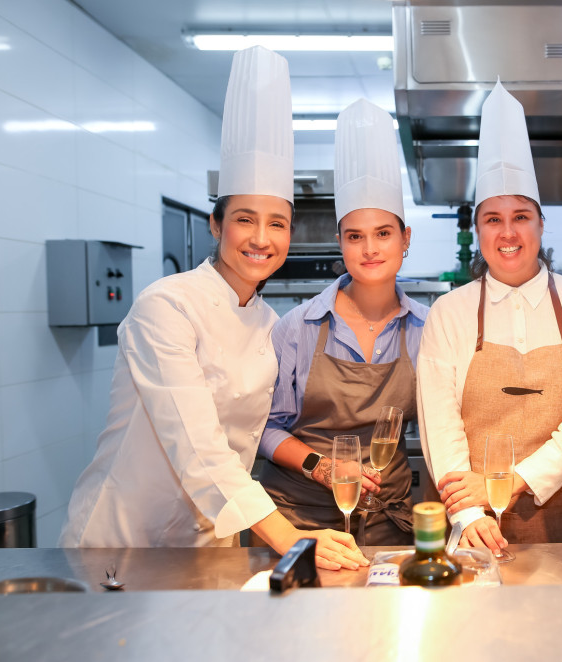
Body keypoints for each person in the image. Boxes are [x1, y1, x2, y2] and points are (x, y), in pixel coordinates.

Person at [60, 47, 367, 570]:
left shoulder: (269, 325)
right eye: (245, 219)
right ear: (216, 225)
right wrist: (290, 534)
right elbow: (195, 440)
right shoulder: (166, 307)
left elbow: (252, 438)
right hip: (122, 540)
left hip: (206, 545)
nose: (262, 239)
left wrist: (316, 466)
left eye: (278, 223)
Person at [417, 81, 562, 554]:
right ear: (477, 228)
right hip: (468, 529)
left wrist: (518, 479)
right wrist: (468, 513)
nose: (507, 232)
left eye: (521, 216)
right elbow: (438, 423)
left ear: (541, 224)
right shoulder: (449, 313)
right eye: (493, 218)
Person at [258, 98, 427, 545]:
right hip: (298, 524)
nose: (369, 248)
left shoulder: (428, 329)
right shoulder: (298, 326)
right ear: (340, 243)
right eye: (355, 236)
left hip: (388, 526)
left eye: (383, 233)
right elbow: (264, 429)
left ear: (406, 238)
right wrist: (324, 467)